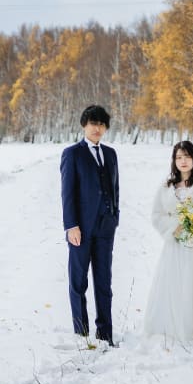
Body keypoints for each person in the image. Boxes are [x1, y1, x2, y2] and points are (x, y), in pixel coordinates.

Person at [143, 140, 193, 341]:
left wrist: (191, 233)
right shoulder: (166, 186)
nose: (183, 161)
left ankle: (192, 327)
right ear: (174, 161)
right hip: (172, 244)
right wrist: (173, 229)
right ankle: (169, 326)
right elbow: (157, 215)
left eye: (187, 156)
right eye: (179, 157)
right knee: (172, 283)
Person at [60, 105, 120, 345]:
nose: (98, 128)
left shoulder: (111, 154)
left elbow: (115, 189)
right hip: (80, 229)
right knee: (79, 282)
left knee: (104, 283)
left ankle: (105, 333)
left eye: (102, 124)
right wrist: (71, 225)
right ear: (84, 125)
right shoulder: (72, 153)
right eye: (93, 123)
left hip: (106, 228)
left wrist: (115, 217)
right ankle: (82, 334)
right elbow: (67, 193)